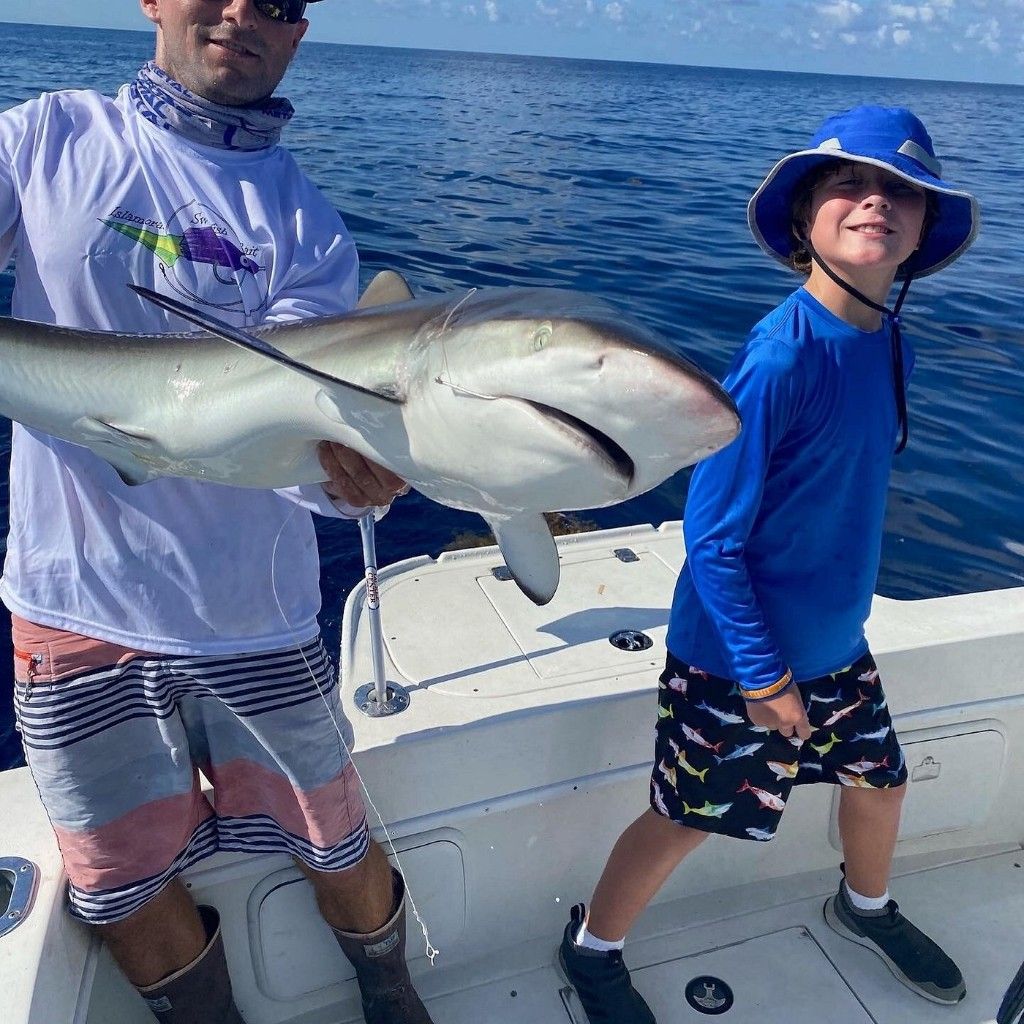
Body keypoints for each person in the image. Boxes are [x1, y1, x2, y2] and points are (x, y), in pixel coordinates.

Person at [0, 2, 433, 1022]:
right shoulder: (46, 139)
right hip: (73, 608)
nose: (243, 12)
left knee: (334, 839)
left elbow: (288, 442)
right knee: (119, 883)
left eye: (278, 1)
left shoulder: (307, 226)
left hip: (255, 614)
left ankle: (390, 989)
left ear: (298, 33)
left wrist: (350, 474)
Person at [557, 105, 979, 1023]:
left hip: (835, 646)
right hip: (737, 659)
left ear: (922, 231)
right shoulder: (779, 359)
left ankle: (863, 906)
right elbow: (711, 535)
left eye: (902, 191)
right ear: (802, 220)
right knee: (686, 816)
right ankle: (593, 949)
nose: (877, 201)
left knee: (882, 782)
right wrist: (763, 675)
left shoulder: (890, 343)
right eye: (849, 185)